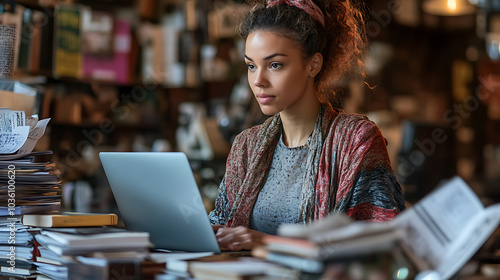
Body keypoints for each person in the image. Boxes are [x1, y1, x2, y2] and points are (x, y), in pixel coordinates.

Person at [208, 0, 406, 251]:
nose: (258, 81)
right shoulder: (246, 146)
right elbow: (222, 225)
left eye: (275, 65)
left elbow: (380, 242)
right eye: (251, 66)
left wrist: (267, 242)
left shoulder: (357, 140)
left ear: (313, 64)